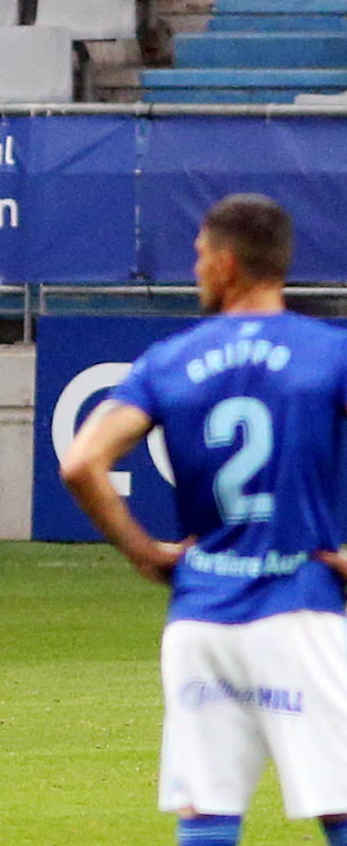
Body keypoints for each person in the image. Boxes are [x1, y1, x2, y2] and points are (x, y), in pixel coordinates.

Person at [61, 193, 347, 846]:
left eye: (198, 258)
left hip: (202, 616)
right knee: (339, 806)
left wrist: (145, 554)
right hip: (301, 605)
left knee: (208, 815)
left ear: (226, 264)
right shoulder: (329, 353)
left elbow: (81, 463)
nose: (195, 272)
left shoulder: (170, 359)